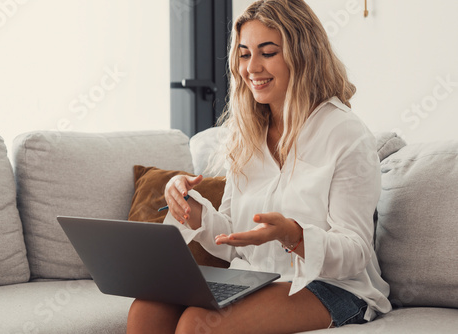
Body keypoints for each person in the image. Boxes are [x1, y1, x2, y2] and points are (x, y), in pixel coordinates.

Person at [127, 0, 391, 333]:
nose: (252, 67)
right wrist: (192, 211)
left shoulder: (345, 134)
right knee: (147, 310)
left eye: (267, 53)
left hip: (332, 285)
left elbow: (355, 252)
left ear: (303, 55)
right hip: (253, 276)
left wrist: (293, 236)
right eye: (244, 54)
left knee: (197, 324)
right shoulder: (246, 132)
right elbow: (231, 234)